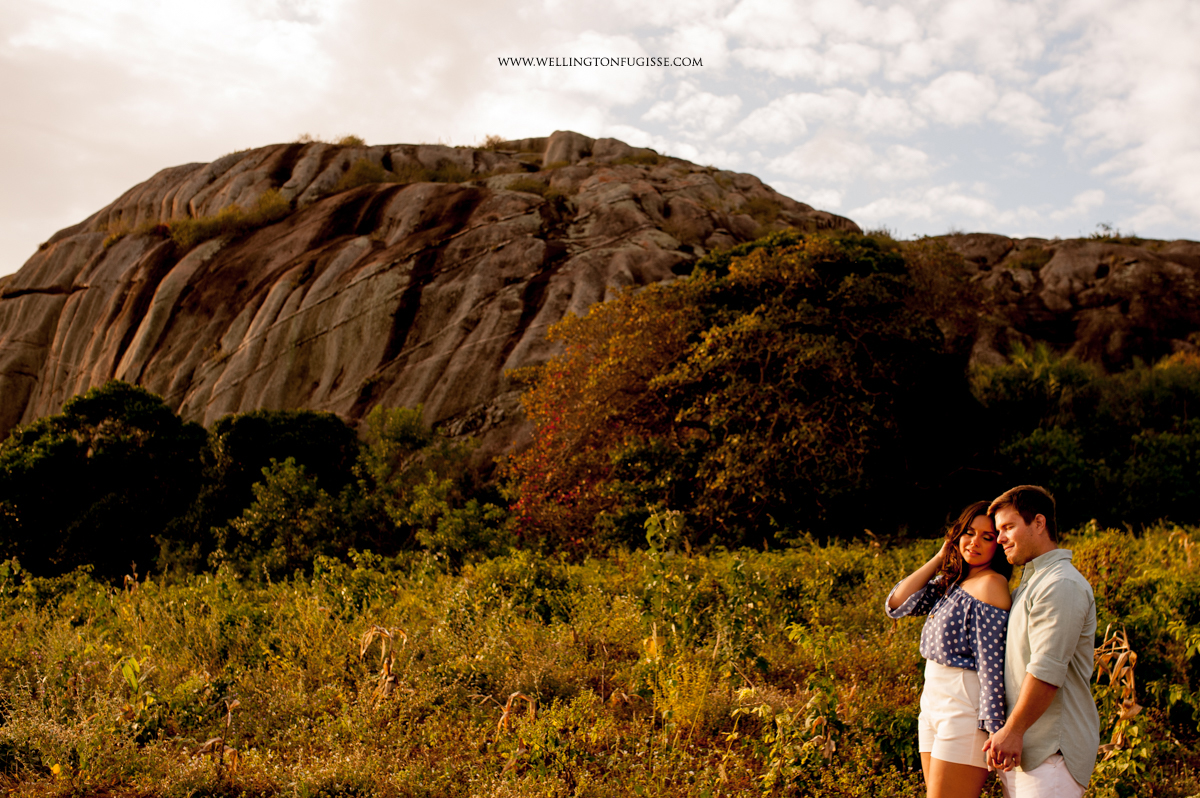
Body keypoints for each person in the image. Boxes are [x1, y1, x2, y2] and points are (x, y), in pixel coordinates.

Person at [886, 501, 1013, 798]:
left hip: (963, 706)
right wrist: (940, 557)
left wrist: (996, 729)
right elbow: (897, 604)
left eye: (987, 537)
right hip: (931, 703)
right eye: (969, 532)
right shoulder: (954, 581)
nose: (975, 542)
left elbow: (991, 666)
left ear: (998, 544)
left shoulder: (991, 585)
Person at [982, 485, 1100, 797]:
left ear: (1038, 523)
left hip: (1052, 752)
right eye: (998, 530)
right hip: (1021, 748)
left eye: (1008, 527)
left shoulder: (1061, 583)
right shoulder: (1030, 584)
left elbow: (1048, 669)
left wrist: (1013, 730)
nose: (1001, 538)